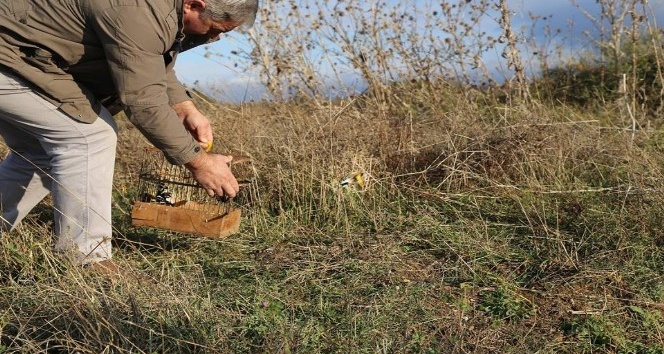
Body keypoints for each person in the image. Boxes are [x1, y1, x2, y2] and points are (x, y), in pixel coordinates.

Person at [0, 0, 259, 271]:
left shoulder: (158, 11)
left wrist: (184, 105)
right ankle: (86, 259)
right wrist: (200, 163)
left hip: (18, 56)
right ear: (193, 5)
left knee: (38, 151)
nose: (214, 37)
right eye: (216, 29)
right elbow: (142, 100)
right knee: (89, 136)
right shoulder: (139, 10)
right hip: (9, 57)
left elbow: (146, 58)